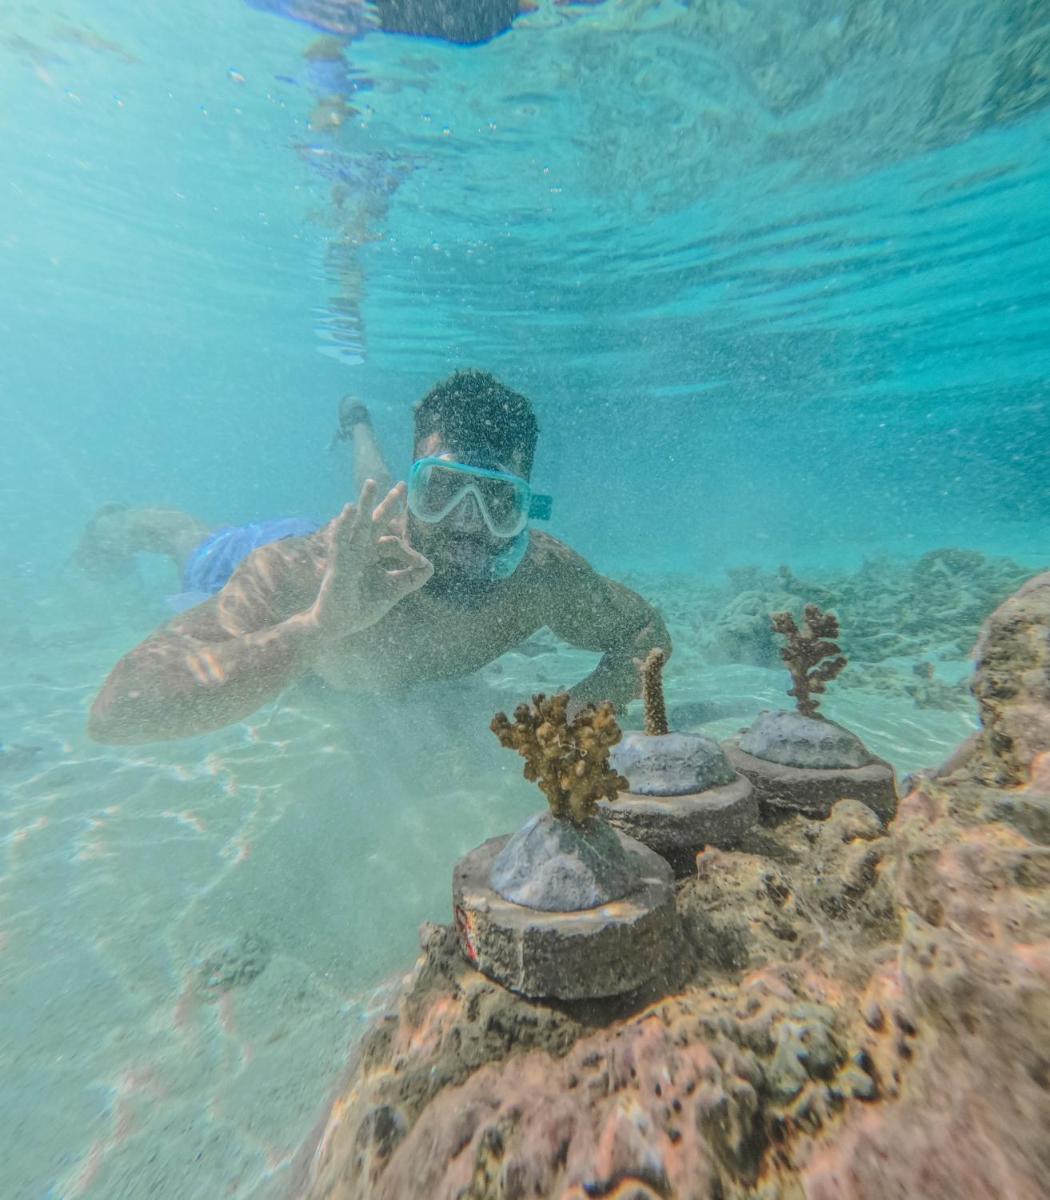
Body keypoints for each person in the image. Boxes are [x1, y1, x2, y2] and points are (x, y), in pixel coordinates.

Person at [87, 370, 671, 744]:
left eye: (498, 500)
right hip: (305, 547)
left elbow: (645, 633)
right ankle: (122, 522)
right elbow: (116, 713)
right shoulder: (313, 574)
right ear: (417, 493)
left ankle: (359, 425)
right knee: (194, 543)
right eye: (443, 490)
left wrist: (575, 715)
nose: (468, 524)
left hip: (379, 520)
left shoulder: (541, 577)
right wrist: (315, 628)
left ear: (527, 506)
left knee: (376, 484)